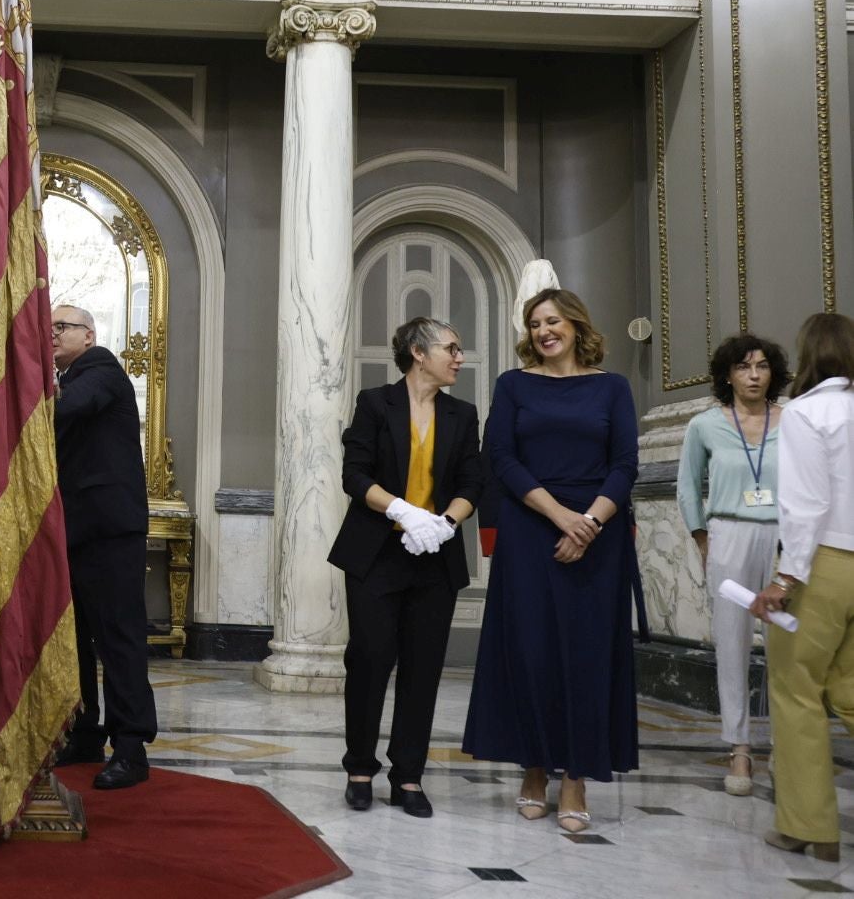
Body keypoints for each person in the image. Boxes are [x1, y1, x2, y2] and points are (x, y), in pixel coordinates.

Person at [462, 288, 639, 833]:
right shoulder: (513, 384)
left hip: (598, 534)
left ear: (576, 325)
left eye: (553, 321)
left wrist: (590, 522)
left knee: (586, 657)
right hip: (530, 527)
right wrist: (563, 518)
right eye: (535, 324)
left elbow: (626, 462)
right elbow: (502, 457)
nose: (544, 331)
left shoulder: (612, 387)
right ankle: (534, 768)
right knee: (531, 652)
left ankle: (577, 776)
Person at [329, 317, 483, 819]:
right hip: (377, 553)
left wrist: (442, 523)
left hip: (434, 557)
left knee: (424, 667)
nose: (459, 357)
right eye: (452, 348)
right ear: (419, 352)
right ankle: (358, 768)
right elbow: (355, 474)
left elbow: (471, 483)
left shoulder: (463, 413)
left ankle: (409, 776)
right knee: (370, 659)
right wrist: (401, 511)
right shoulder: (376, 403)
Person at [748, 312, 854, 863]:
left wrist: (785, 578)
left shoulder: (807, 413)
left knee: (797, 693)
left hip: (826, 566)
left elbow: (806, 503)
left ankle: (809, 827)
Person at [49, 304, 158, 791]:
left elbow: (66, 409)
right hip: (73, 530)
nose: (51, 334)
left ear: (88, 336)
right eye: (46, 327)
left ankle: (131, 747)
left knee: (118, 639)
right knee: (74, 641)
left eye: (62, 327)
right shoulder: (68, 376)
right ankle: (86, 733)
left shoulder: (101, 369)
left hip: (110, 532)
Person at [675, 333, 787, 796]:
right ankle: (739, 748)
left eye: (762, 366)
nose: (754, 375)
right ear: (728, 375)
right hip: (728, 533)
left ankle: (785, 748)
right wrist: (703, 538)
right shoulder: (705, 425)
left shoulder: (793, 420)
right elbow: (686, 485)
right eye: (744, 367)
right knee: (732, 643)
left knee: (786, 648)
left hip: (783, 537)